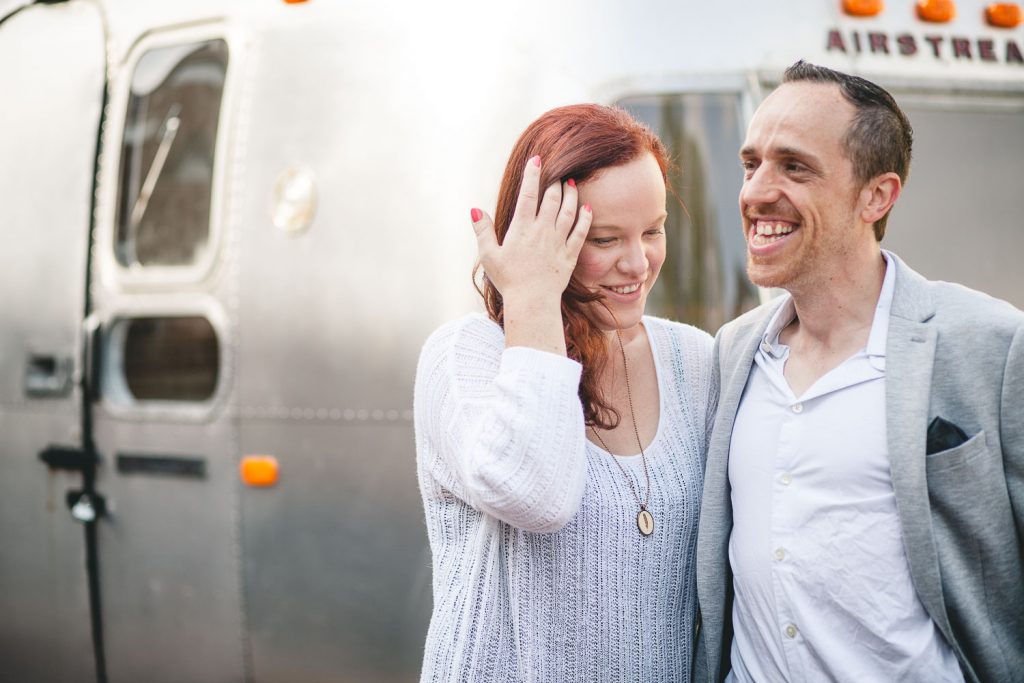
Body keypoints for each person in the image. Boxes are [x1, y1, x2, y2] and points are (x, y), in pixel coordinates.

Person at [694, 61, 1024, 683]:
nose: (756, 191)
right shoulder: (731, 354)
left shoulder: (994, 346)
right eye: (751, 162)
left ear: (877, 195)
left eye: (794, 165)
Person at [414, 104, 716, 682]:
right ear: (538, 237)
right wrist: (531, 299)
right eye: (604, 239)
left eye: (653, 230)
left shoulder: (694, 361)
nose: (638, 263)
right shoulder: (464, 356)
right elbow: (536, 495)